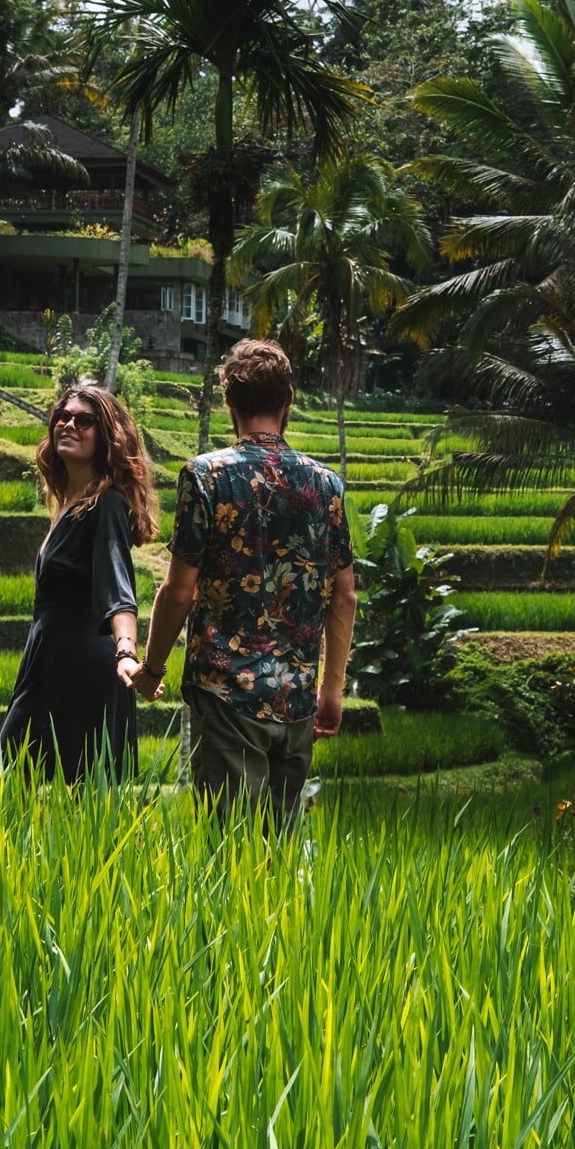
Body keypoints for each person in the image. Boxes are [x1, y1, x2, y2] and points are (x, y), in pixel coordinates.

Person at [126, 338, 356, 825]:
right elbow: (345, 598)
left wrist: (152, 669)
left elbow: (179, 591)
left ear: (228, 401)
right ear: (288, 400)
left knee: (227, 854)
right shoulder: (326, 484)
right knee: (278, 852)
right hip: (296, 697)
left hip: (227, 691)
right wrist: (331, 691)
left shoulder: (206, 476)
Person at [0, 380, 159, 784]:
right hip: (49, 663)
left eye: (84, 420)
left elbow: (119, 588)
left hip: (83, 671)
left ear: (106, 436)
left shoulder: (105, 505)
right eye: (62, 417)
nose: (69, 424)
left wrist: (126, 651)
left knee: (67, 800)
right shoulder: (71, 505)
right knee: (11, 789)